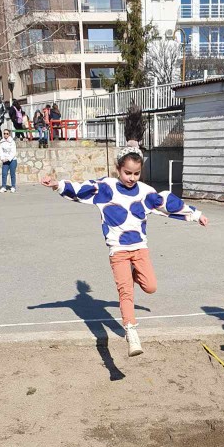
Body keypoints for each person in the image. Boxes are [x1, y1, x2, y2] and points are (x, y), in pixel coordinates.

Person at [41, 141, 209, 356]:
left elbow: (168, 204)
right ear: (118, 169)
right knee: (125, 293)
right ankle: (131, 333)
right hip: (118, 251)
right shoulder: (106, 188)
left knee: (150, 287)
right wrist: (57, 184)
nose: (131, 178)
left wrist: (196, 215)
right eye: (127, 173)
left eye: (136, 174)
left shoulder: (145, 192)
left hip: (140, 248)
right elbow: (80, 188)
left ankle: (132, 276)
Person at [0, 128, 17, 192]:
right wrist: (2, 158)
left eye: (7, 133)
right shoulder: (2, 142)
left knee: (12, 173)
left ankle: (13, 186)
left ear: (9, 134)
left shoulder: (12, 142)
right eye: (4, 133)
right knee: (4, 173)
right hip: (5, 160)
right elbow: (1, 152)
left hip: (12, 160)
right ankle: (3, 186)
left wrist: (8, 159)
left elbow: (13, 152)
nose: (5, 135)